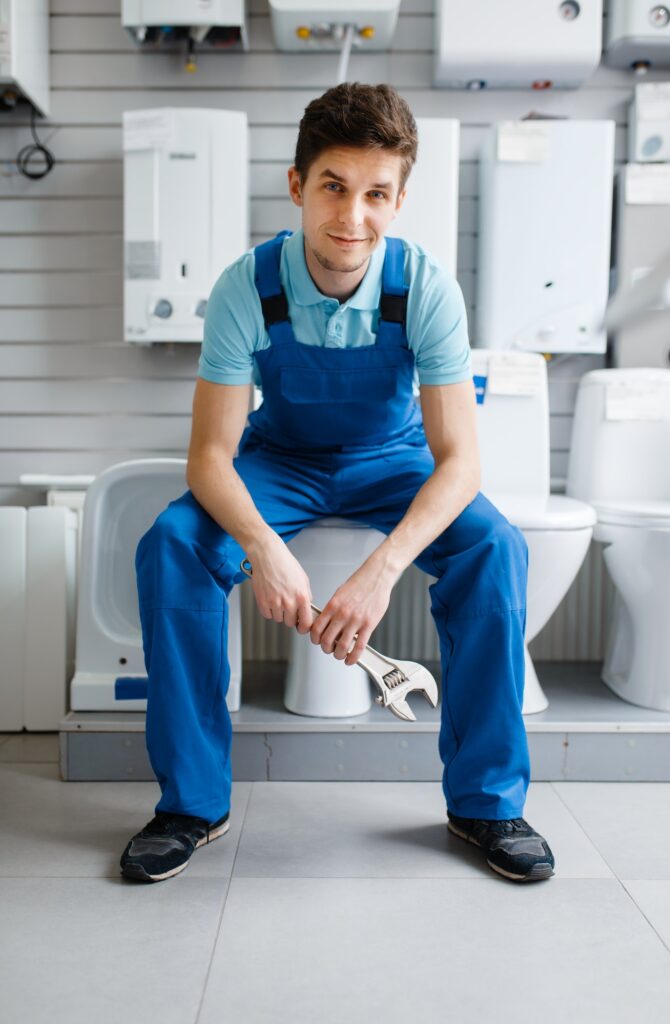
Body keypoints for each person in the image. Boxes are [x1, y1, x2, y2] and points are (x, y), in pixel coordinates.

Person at [120, 82, 555, 885]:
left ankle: (487, 802)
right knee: (175, 543)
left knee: (495, 547)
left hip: (392, 460)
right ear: (297, 185)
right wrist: (261, 546)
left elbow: (460, 460)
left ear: (399, 198)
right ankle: (191, 802)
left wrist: (382, 571)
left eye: (376, 194)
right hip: (279, 457)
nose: (353, 216)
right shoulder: (244, 288)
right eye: (334, 187)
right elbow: (210, 457)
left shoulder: (424, 288)